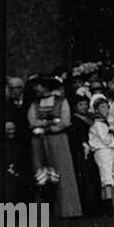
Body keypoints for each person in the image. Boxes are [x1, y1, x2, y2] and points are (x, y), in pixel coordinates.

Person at [28, 76, 83, 219]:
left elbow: (65, 121)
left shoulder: (61, 101)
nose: (36, 89)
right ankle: (42, 211)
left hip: (58, 139)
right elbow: (32, 121)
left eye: (38, 86)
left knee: (62, 170)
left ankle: (67, 209)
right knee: (41, 171)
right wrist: (50, 122)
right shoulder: (35, 103)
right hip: (39, 140)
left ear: (45, 87)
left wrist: (45, 126)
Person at [87, 94, 114, 213]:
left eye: (107, 107)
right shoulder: (98, 124)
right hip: (103, 151)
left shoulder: (104, 122)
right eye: (102, 107)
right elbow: (106, 140)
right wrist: (111, 129)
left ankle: (110, 206)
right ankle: (109, 209)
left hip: (109, 151)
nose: (106, 110)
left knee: (109, 177)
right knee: (107, 179)